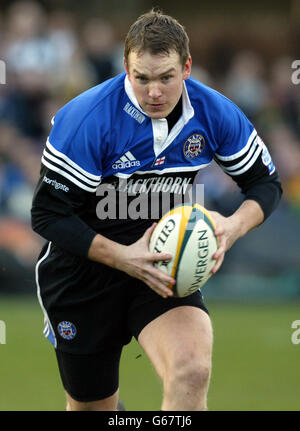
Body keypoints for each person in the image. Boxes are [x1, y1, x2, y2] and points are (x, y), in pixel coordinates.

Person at [31, 9, 282, 411]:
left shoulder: (213, 111)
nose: (154, 93)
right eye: (141, 78)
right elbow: (47, 215)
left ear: (186, 67)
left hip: (164, 269)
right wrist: (124, 257)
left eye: (166, 77)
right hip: (83, 277)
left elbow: (265, 183)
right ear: (126, 68)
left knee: (191, 369)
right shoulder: (87, 120)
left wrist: (233, 226)